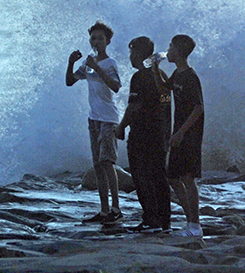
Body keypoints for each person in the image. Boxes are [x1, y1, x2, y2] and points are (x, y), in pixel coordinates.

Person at [66, 21, 123, 225]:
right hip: (94, 118)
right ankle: (104, 210)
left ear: (107, 41)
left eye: (100, 38)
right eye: (93, 38)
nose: (95, 41)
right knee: (98, 165)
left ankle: (116, 209)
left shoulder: (109, 63)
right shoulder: (87, 63)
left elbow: (116, 86)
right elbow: (70, 81)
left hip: (108, 118)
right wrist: (71, 62)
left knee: (108, 163)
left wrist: (96, 68)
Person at [116, 36, 172, 233]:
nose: (130, 57)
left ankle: (150, 219)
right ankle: (165, 220)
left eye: (132, 52)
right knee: (159, 176)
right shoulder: (161, 75)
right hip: (161, 134)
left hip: (142, 134)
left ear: (139, 54)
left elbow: (134, 107)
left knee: (141, 176)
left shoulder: (139, 77)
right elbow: (166, 101)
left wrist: (121, 127)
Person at [153, 34, 204, 237]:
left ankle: (195, 226)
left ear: (179, 52)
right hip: (178, 134)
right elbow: (165, 92)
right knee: (173, 178)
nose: (168, 50)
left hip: (189, 134)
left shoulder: (191, 77)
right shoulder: (177, 74)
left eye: (171, 47)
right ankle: (190, 219)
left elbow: (199, 108)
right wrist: (156, 70)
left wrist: (181, 132)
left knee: (188, 177)